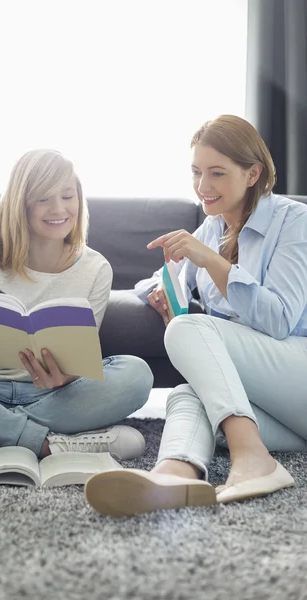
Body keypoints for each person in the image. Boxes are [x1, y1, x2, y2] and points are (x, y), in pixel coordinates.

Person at [85, 114, 307, 517]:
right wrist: (159, 292)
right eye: (196, 172)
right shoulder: (210, 231)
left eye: (217, 173)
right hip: (282, 409)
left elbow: (278, 321)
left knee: (189, 330)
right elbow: (162, 276)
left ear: (253, 173)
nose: (203, 187)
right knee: (190, 392)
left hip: (298, 371)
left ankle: (252, 457)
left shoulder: (294, 221)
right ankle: (175, 474)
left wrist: (211, 262)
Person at [0, 149, 153, 463]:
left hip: (51, 396)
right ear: (21, 203)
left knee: (136, 374)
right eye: (43, 199)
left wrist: (65, 377)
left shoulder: (95, 268)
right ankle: (45, 443)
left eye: (67, 196)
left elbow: (80, 362)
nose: (59, 209)